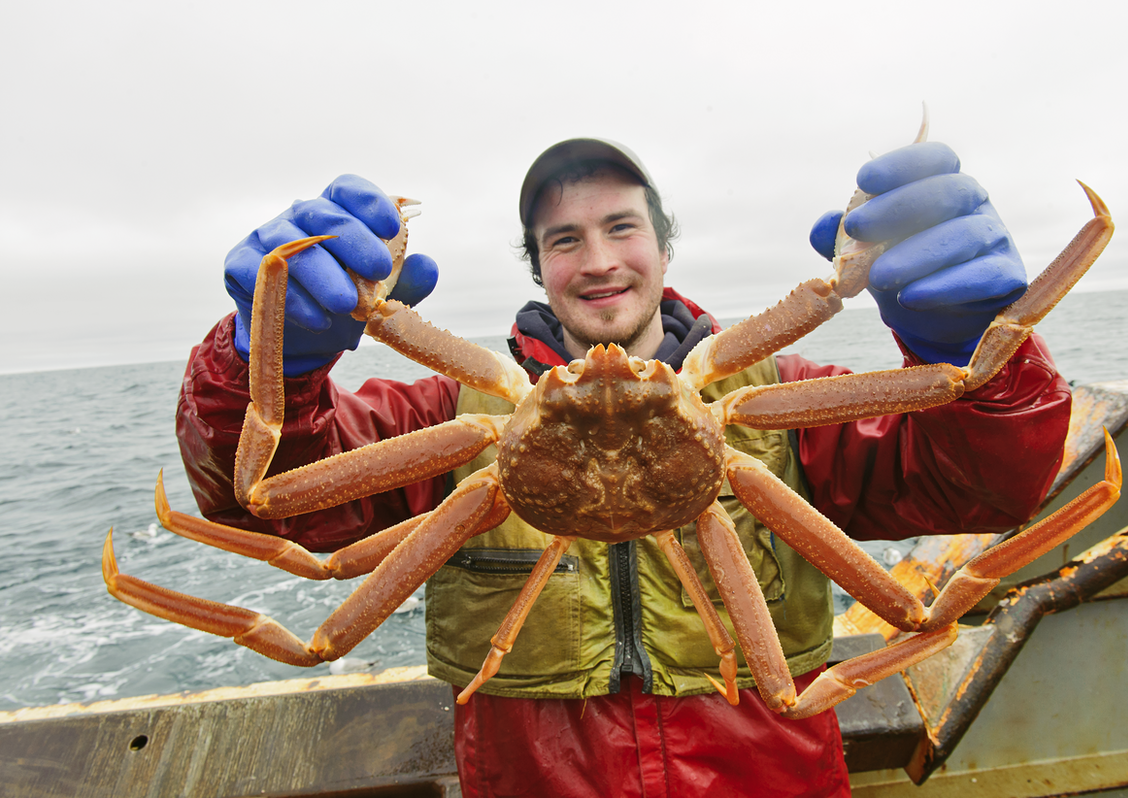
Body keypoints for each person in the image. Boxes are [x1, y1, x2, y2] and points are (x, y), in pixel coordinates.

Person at [176, 137, 1071, 797]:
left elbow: (983, 482)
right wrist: (271, 365)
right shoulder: (456, 417)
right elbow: (274, 509)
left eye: (620, 228)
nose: (598, 260)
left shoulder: (777, 402)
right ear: (539, 266)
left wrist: (977, 358)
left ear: (662, 247)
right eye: (565, 240)